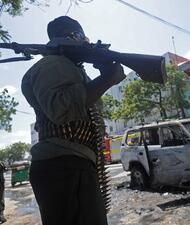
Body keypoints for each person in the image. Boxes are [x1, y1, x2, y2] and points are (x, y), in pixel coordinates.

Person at [21, 16, 126, 225]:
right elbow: (61, 109)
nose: (86, 42)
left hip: (75, 164)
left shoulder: (71, 68)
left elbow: (88, 113)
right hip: (63, 166)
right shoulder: (53, 64)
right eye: (81, 37)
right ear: (71, 36)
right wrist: (106, 79)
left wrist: (104, 75)